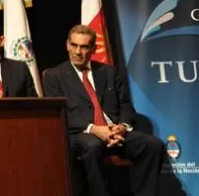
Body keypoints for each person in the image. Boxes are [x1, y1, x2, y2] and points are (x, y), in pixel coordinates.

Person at [44, 25, 163, 196]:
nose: (78, 52)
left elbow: (125, 105)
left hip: (114, 131)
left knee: (153, 145)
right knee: (92, 146)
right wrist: (94, 129)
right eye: (74, 45)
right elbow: (58, 114)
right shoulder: (54, 75)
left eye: (84, 47)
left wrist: (121, 126)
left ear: (93, 48)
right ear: (67, 45)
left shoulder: (108, 72)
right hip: (80, 133)